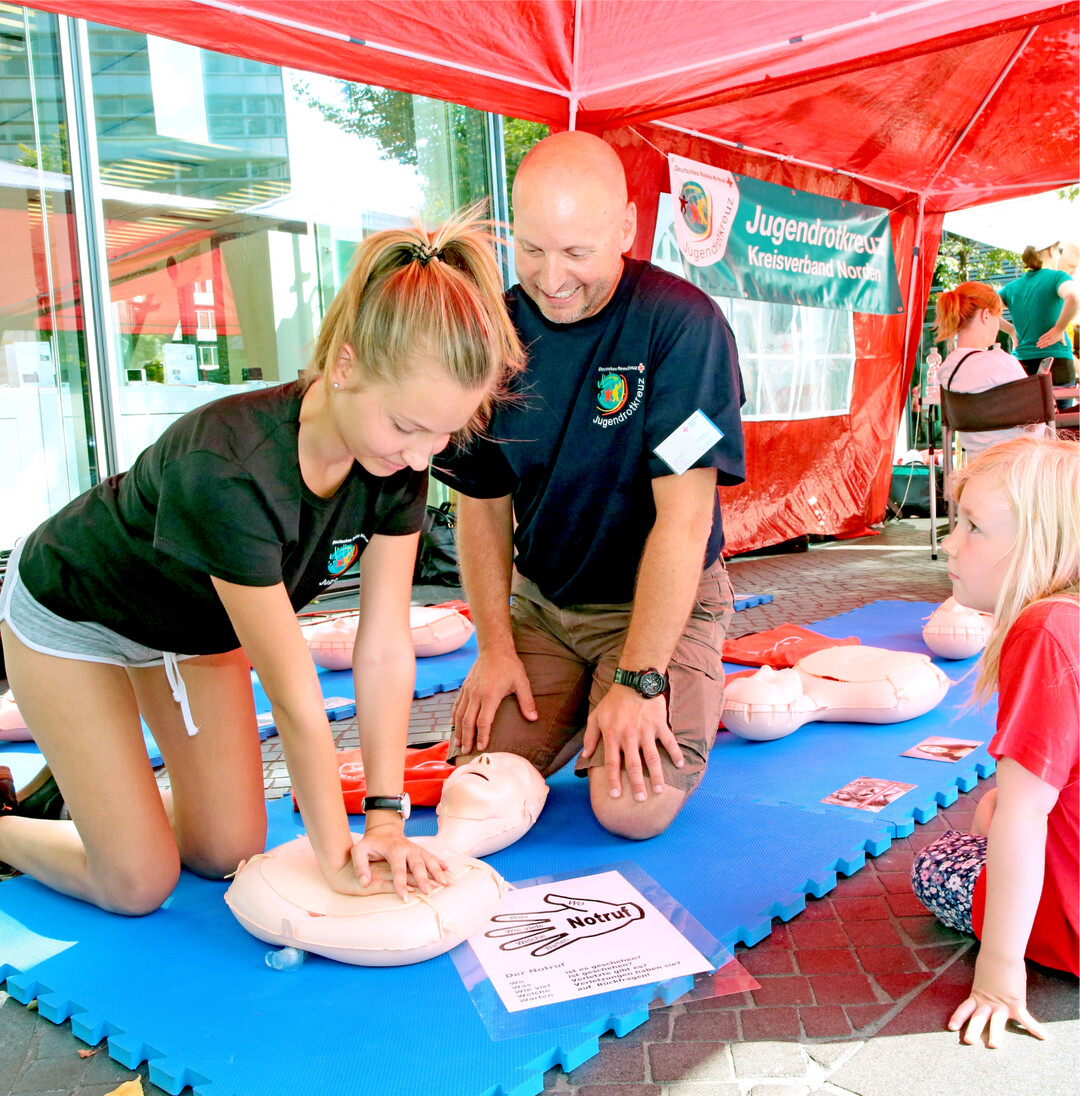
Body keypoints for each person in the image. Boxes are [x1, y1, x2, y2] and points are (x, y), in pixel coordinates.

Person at [0, 210, 524, 914]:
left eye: (443, 433)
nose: (423, 456)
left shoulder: (399, 464)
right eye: (406, 426)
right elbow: (296, 698)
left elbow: (385, 648)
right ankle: (10, 827)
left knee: (224, 852)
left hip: (188, 632)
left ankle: (99, 795)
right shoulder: (232, 471)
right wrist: (339, 856)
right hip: (75, 613)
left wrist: (387, 820)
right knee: (136, 884)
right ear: (345, 367)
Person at [433, 131, 745, 841]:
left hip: (659, 607)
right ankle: (579, 698)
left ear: (628, 229)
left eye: (577, 253)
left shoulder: (682, 328)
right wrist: (495, 646)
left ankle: (644, 689)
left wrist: (639, 680)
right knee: (477, 778)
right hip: (546, 608)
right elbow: (480, 505)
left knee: (629, 810)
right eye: (533, 249)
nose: (551, 278)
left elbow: (684, 521)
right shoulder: (493, 331)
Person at [910, 435, 1079, 1047]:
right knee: (992, 808)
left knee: (939, 860)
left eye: (973, 527)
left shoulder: (1045, 629)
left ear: (1038, 543)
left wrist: (998, 971)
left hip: (1068, 921)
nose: (951, 544)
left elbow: (1026, 817)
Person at [934, 281, 1048, 457]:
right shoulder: (1002, 362)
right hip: (1023, 462)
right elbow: (1035, 423)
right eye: (998, 318)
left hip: (980, 463)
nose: (998, 326)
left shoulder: (946, 370)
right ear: (986, 315)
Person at [998, 241, 1080, 388]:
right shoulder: (1057, 277)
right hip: (1057, 363)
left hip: (1021, 367)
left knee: (1030, 411)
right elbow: (1074, 298)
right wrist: (1059, 329)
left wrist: (1010, 330)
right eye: (1058, 251)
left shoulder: (1011, 287)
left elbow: (984, 309)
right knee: (1062, 411)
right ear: (1050, 251)